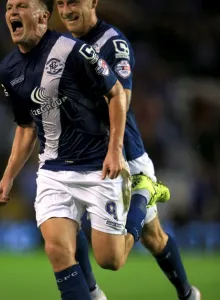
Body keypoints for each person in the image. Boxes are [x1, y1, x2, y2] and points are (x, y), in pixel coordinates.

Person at [0, 0, 164, 299]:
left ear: (43, 17)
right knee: (56, 250)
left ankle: (142, 196)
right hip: (53, 171)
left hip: (97, 166)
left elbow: (116, 95)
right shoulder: (8, 69)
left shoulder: (75, 50)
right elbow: (25, 126)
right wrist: (8, 177)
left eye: (22, 5)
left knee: (110, 261)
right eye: (9, 7)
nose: (13, 13)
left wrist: (114, 150)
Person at [55, 0, 201, 299]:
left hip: (121, 154)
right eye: (60, 3)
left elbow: (121, 99)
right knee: (63, 219)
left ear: (93, 2)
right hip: (80, 156)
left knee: (152, 237)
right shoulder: (64, 45)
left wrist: (114, 149)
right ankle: (93, 292)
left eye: (73, 2)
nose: (66, 10)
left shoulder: (113, 44)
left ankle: (187, 293)